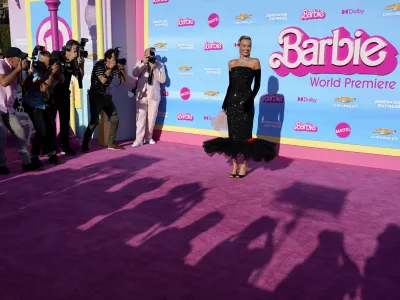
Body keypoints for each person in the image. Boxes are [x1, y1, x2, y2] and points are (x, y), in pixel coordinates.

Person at [203, 36, 276, 178]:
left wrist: (250, 100)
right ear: (238, 46)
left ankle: (244, 165)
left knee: (246, 137)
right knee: (233, 138)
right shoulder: (231, 63)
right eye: (244, 46)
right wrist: (225, 104)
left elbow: (257, 85)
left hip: (246, 104)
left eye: (249, 46)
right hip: (232, 104)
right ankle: (235, 164)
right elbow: (230, 85)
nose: (246, 48)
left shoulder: (255, 62)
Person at [0, 47, 42, 174]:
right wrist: (18, 69)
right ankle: (1, 164)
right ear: (11, 59)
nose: (22, 60)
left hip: (8, 107)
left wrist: (29, 73)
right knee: (1, 135)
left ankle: (26, 162)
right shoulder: (1, 63)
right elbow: (4, 82)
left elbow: (22, 84)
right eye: (20, 58)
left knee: (21, 132)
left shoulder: (16, 68)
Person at [81, 48, 126, 152]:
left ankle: (111, 143)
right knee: (94, 122)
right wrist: (109, 69)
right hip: (95, 96)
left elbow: (124, 80)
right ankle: (84, 146)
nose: (115, 61)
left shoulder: (114, 66)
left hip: (106, 96)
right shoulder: (99, 65)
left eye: (116, 58)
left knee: (115, 119)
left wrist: (122, 69)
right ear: (107, 59)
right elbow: (102, 80)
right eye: (113, 59)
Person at [23, 51, 62, 165]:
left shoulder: (49, 68)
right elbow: (42, 88)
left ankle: (51, 153)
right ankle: (34, 155)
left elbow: (61, 80)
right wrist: (50, 74)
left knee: (51, 128)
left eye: (50, 62)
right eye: (47, 63)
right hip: (33, 103)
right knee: (41, 130)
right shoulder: (35, 70)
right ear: (40, 61)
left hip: (47, 103)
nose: (49, 65)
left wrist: (57, 72)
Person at [52, 39, 85, 156]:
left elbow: (79, 77)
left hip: (65, 94)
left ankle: (65, 147)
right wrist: (68, 62)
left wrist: (81, 64)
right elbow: (54, 73)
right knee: (50, 122)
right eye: (75, 50)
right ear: (68, 48)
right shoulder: (57, 55)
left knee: (65, 121)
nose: (77, 53)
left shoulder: (73, 61)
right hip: (52, 94)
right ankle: (49, 148)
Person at [131, 47, 166, 147]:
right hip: (141, 95)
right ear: (144, 55)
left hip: (154, 95)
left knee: (152, 118)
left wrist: (154, 68)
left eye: (151, 55)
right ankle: (138, 139)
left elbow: (162, 79)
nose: (150, 57)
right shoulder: (140, 63)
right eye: (147, 55)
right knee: (140, 118)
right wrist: (144, 64)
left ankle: (148, 137)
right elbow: (134, 73)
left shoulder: (159, 65)